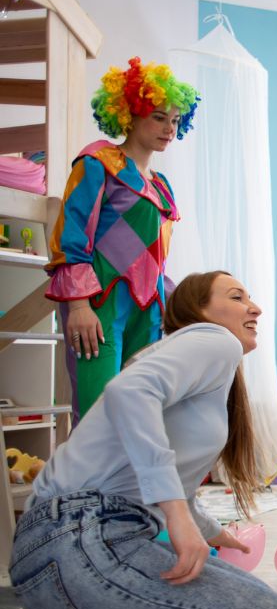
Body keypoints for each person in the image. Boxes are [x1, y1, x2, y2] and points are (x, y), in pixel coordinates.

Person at [1, 271, 277, 609]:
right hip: (81, 545)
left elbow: (159, 471)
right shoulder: (213, 340)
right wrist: (178, 517)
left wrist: (204, 524)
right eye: (237, 297)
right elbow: (129, 391)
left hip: (55, 561)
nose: (254, 308)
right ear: (197, 312)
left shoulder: (190, 360)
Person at [44, 58, 200, 422]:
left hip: (149, 310)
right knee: (98, 411)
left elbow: (158, 262)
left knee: (140, 411)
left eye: (175, 120)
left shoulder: (161, 186)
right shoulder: (98, 163)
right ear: (130, 113)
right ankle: (86, 481)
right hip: (100, 301)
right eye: (159, 117)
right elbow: (71, 237)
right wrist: (80, 307)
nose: (169, 128)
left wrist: (179, 305)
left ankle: (127, 482)